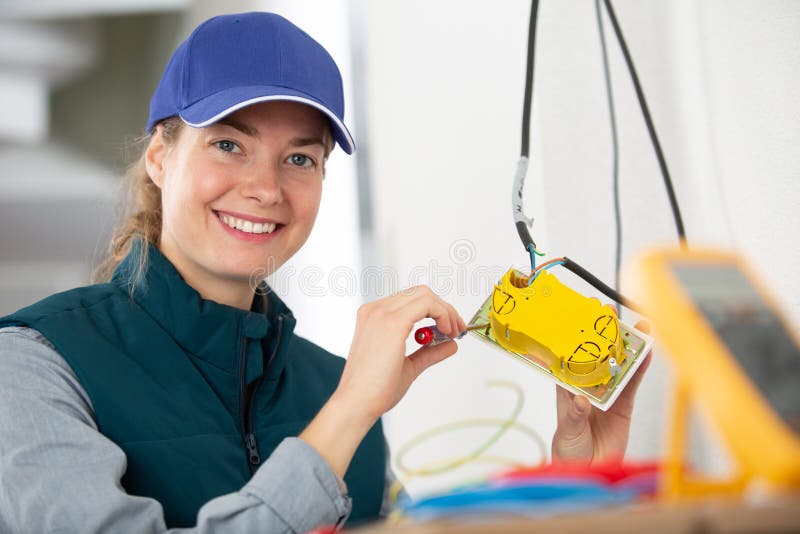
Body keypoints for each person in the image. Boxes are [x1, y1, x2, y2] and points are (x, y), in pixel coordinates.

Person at [0, 11, 649, 533]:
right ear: (161, 157)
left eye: (301, 159)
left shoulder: (332, 383)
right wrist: (347, 414)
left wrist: (579, 480)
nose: (265, 188)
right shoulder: (30, 363)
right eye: (229, 143)